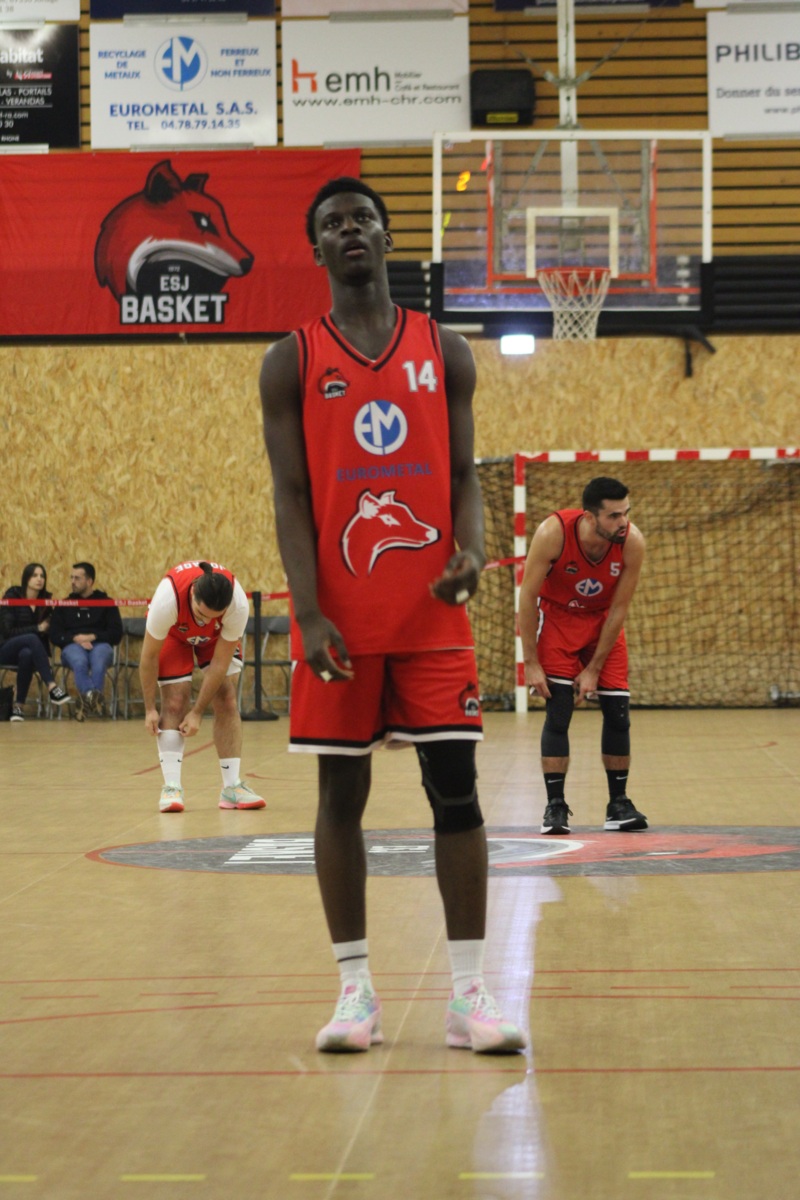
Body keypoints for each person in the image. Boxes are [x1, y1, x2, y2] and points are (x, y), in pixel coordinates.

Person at [259, 176, 526, 1056]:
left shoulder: (444, 350)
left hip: (431, 619)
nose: (350, 230)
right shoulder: (290, 360)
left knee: (457, 794)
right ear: (318, 248)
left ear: (386, 236)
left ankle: (469, 995)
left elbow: (464, 477)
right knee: (341, 796)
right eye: (333, 222)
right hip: (339, 623)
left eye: (363, 218)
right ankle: (355, 994)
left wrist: (473, 554)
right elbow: (291, 496)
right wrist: (307, 612)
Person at [518, 477, 648, 836]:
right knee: (559, 713)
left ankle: (618, 804)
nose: (623, 522)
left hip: (603, 623)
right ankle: (555, 806)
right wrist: (531, 663)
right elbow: (527, 597)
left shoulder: (632, 542)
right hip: (558, 619)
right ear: (590, 517)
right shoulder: (553, 533)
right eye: (614, 516)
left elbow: (619, 608)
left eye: (626, 513)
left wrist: (593, 668)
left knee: (618, 713)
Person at [138, 559, 266, 814]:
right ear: (193, 593)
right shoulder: (168, 598)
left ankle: (231, 788)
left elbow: (219, 665)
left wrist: (197, 712)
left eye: (212, 616)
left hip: (215, 639)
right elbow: (148, 657)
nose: (205, 620)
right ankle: (172, 788)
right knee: (175, 701)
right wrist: (150, 708)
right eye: (200, 614)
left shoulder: (238, 604)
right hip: (175, 634)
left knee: (226, 697)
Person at [48, 562, 123, 718]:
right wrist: (75, 638)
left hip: (100, 644)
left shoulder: (106, 602)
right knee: (79, 661)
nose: (72, 582)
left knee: (99, 661)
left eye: (77, 578)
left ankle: (87, 701)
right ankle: (92, 697)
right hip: (72, 645)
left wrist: (93, 636)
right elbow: (54, 634)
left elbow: (116, 633)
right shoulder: (64, 605)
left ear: (89, 581)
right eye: (71, 578)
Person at [1, 563, 71, 720]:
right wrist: (38, 628)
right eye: (35, 575)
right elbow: (7, 632)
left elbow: (51, 631)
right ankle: (52, 686)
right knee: (32, 637)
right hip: (5, 648)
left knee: (27, 654)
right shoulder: (12, 597)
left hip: (31, 653)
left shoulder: (45, 603)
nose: (39, 579)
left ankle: (18, 708)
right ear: (26, 578)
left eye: (42, 576)